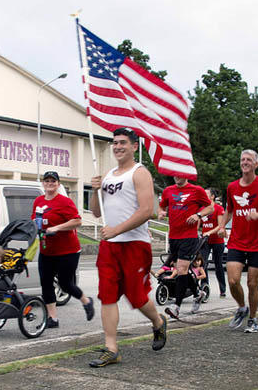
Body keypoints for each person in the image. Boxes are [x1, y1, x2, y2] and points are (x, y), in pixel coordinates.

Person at [88, 127, 168, 367]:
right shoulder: (109, 175)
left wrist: (117, 230)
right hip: (109, 247)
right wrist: (95, 191)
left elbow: (146, 211)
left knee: (136, 296)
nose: (118, 147)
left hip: (134, 244)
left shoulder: (139, 172)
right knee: (108, 295)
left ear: (135, 146)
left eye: (123, 142)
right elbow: (95, 211)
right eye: (114, 143)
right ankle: (111, 348)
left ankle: (158, 322)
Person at [217, 149, 258, 333]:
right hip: (237, 240)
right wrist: (221, 226)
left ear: (256, 164)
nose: (245, 162)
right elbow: (229, 210)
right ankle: (242, 307)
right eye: (243, 159)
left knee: (252, 283)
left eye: (249, 160)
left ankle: (253, 318)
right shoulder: (232, 187)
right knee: (233, 280)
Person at [32, 171, 94, 329]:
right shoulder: (38, 201)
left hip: (68, 251)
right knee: (45, 283)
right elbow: (34, 219)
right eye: (47, 181)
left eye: (53, 181)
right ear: (43, 183)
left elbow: (77, 221)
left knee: (65, 284)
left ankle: (86, 301)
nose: (50, 183)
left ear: (58, 184)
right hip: (47, 250)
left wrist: (57, 228)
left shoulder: (64, 202)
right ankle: (53, 318)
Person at [159, 176, 213, 319]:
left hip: (189, 237)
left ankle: (176, 307)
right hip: (174, 237)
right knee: (182, 270)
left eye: (179, 173)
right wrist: (161, 212)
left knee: (181, 269)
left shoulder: (196, 190)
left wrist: (198, 215)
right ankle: (198, 294)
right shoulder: (168, 190)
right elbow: (162, 205)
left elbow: (210, 207)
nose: (177, 176)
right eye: (174, 174)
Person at [200, 188, 227, 297]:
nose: (204, 195)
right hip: (205, 241)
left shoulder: (218, 208)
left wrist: (209, 232)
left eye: (206, 194)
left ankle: (222, 289)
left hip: (217, 241)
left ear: (212, 196)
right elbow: (198, 223)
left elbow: (220, 226)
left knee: (218, 264)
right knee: (203, 263)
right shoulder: (202, 209)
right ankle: (204, 288)